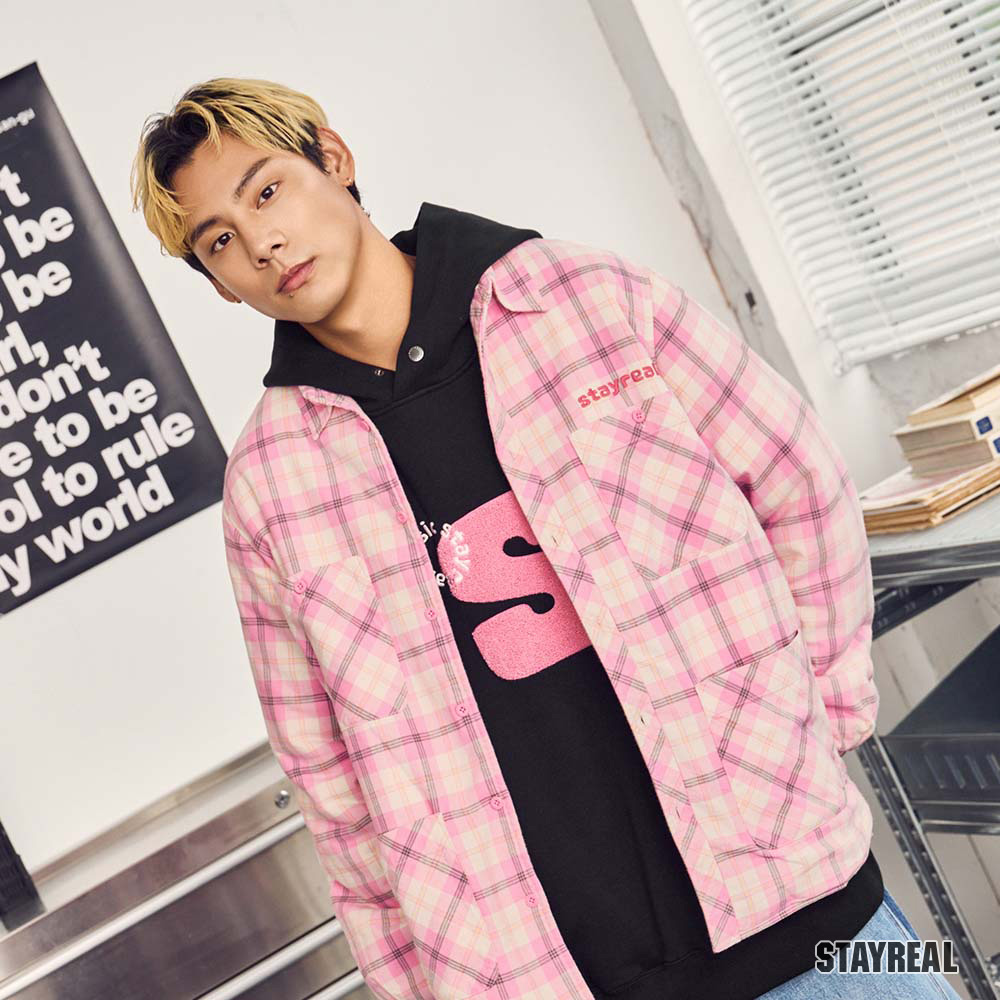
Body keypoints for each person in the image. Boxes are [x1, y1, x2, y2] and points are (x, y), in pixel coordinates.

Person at [130, 77, 962, 1000]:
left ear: (332, 157)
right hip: (544, 975)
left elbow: (798, 481)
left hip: (812, 915)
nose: (262, 243)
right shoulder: (270, 486)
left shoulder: (586, 300)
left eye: (267, 191)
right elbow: (325, 772)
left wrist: (824, 718)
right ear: (219, 284)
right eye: (219, 241)